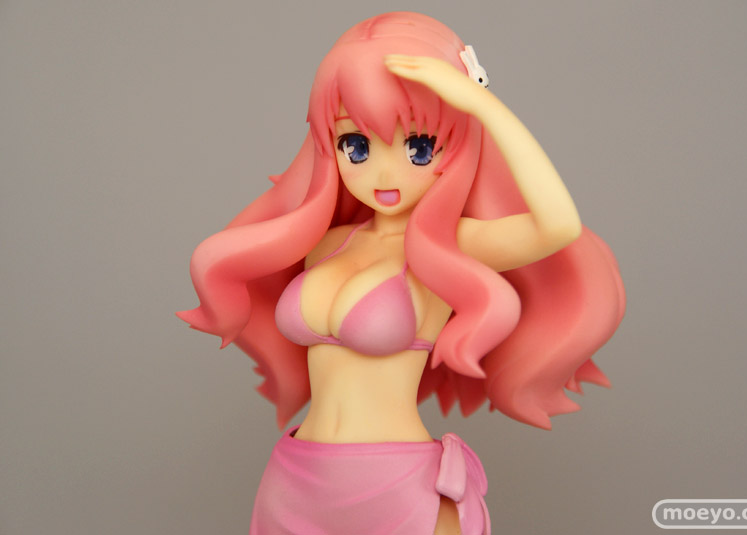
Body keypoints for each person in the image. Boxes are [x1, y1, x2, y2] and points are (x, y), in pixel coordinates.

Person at [178, 11, 625, 535]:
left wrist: (481, 105)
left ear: (456, 144)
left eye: (418, 147)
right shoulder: (323, 243)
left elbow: (558, 225)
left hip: (395, 483)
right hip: (296, 476)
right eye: (357, 146)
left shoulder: (446, 247)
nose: (384, 173)